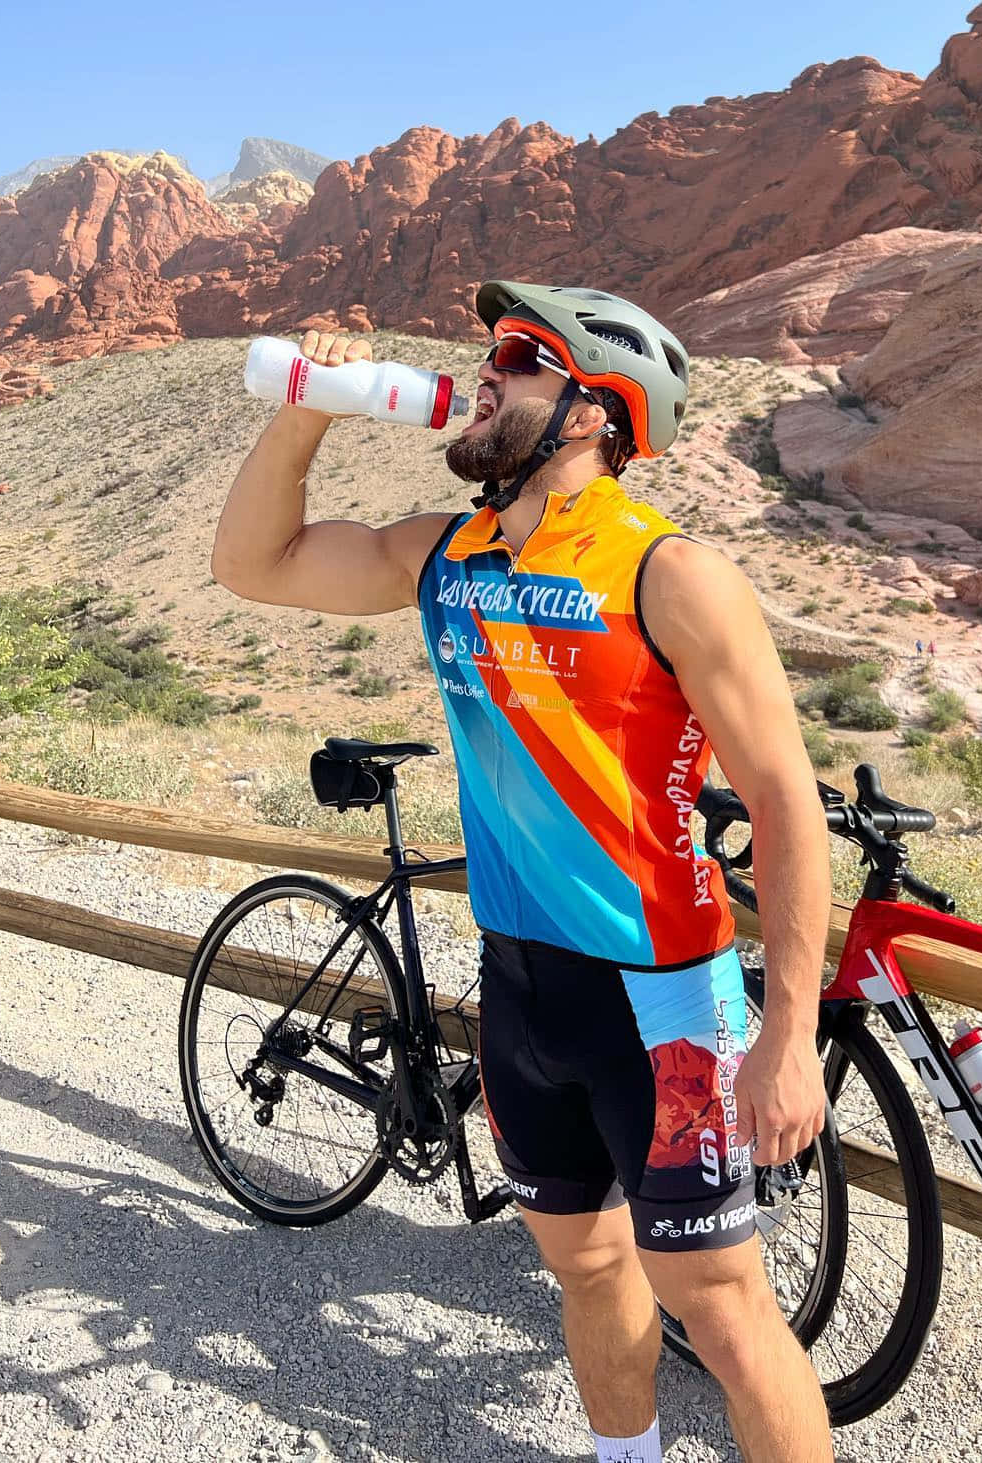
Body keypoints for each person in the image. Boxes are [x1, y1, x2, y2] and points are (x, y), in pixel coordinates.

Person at [211, 282, 834, 1463]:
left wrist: (790, 1031)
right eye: (489, 351)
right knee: (589, 1264)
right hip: (520, 988)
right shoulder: (454, 552)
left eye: (521, 357)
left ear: (595, 410)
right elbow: (254, 563)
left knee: (726, 1309)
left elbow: (787, 804)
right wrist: (307, 405)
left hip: (662, 1000)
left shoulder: (669, 573)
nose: (484, 372)